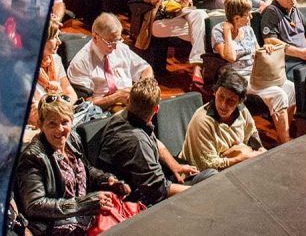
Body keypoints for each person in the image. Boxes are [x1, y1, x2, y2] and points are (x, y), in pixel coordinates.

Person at [15, 95, 127, 236]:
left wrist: (107, 180)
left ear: (72, 121)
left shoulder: (73, 139)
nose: (60, 129)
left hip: (86, 220)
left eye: (64, 122)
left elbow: (87, 170)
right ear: (41, 125)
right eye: (52, 124)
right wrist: (83, 204)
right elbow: (34, 205)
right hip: (55, 229)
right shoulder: (32, 157)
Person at [95, 77, 202, 207]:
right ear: (156, 109)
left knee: (209, 176)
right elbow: (159, 190)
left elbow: (154, 141)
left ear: (128, 101)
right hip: (140, 200)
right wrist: (201, 192)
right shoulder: (137, 143)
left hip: (150, 182)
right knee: (208, 183)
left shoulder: (123, 116)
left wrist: (175, 166)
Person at [212, 0, 294, 144]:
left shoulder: (248, 29)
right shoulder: (218, 30)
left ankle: (282, 131)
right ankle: (285, 141)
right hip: (237, 78)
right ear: (237, 18)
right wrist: (228, 32)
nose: (251, 16)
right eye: (248, 14)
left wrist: (265, 48)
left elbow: (257, 51)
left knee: (291, 88)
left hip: (256, 73)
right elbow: (230, 57)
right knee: (279, 94)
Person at [179, 69, 264, 171]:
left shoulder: (242, 110)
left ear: (239, 102)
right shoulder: (202, 121)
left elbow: (251, 133)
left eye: (231, 101)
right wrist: (241, 159)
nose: (223, 105)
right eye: (221, 96)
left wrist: (260, 148)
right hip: (201, 173)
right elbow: (207, 164)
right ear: (215, 92)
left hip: (231, 165)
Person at [66, 13, 153, 110]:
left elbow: (146, 69)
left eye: (118, 40)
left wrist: (142, 88)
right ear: (95, 37)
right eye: (110, 42)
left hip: (130, 101)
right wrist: (116, 97)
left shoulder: (121, 48)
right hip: (103, 111)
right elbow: (85, 104)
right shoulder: (80, 62)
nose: (115, 46)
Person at [259, 0, 306, 77]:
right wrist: (301, 53)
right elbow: (270, 41)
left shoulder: (295, 10)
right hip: (289, 65)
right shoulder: (271, 12)